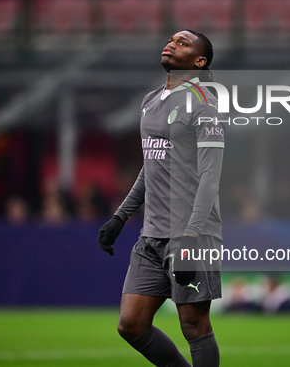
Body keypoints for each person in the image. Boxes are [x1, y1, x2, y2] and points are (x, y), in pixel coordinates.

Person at [97, 30, 225, 367]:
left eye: (183, 43)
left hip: (192, 233)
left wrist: (192, 237)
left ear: (200, 62)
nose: (171, 44)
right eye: (171, 39)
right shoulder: (151, 101)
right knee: (131, 325)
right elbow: (150, 168)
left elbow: (211, 178)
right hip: (151, 235)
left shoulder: (205, 105)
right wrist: (120, 218)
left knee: (193, 325)